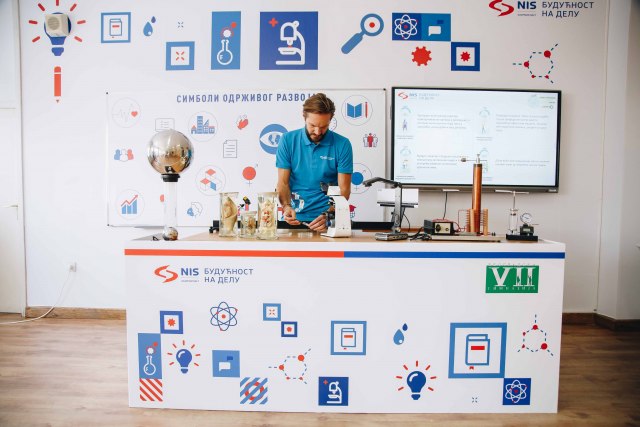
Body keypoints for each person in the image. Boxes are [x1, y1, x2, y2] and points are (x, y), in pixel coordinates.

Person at [276, 93, 353, 232]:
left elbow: (344, 190)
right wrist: (286, 207)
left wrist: (329, 215)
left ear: (330, 120)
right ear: (304, 117)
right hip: (294, 220)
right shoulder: (287, 140)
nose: (317, 132)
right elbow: (283, 183)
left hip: (329, 222)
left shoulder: (343, 144)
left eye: (324, 126)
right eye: (312, 125)